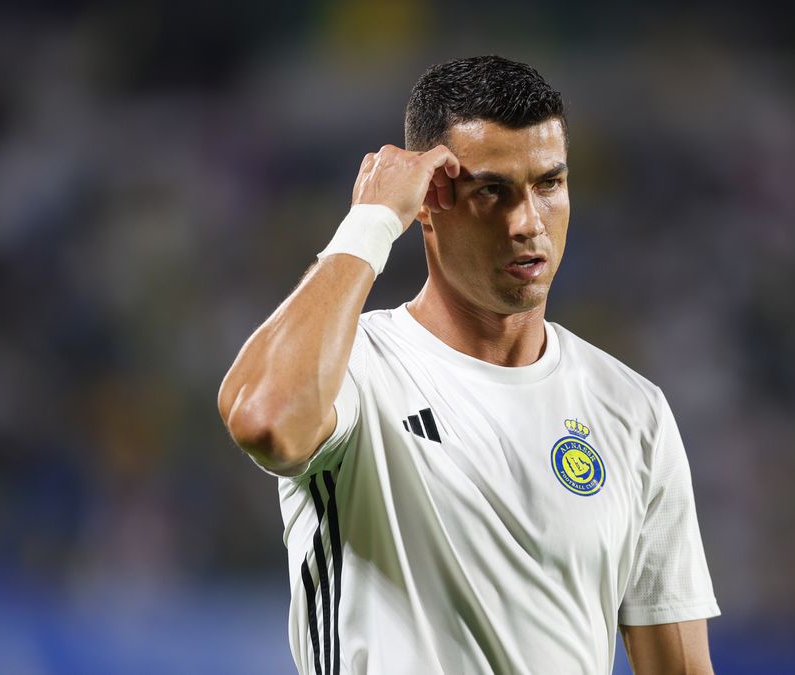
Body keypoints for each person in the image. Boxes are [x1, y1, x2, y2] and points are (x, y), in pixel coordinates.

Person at [218, 55, 719, 675]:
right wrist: (371, 221)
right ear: (429, 201)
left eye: (549, 184)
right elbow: (266, 420)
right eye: (492, 191)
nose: (528, 223)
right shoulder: (355, 369)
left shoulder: (632, 409)